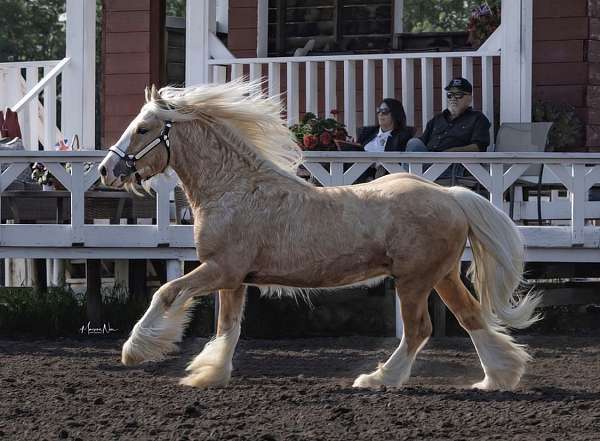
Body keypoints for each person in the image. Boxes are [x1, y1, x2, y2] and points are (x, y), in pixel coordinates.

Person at [405, 77, 491, 178]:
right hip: (428, 164)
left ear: (469, 98)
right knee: (414, 143)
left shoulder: (477, 118)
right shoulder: (437, 119)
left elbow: (478, 147)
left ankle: (405, 180)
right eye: (450, 95)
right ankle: (406, 179)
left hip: (454, 167)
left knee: (408, 172)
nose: (453, 98)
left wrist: (451, 152)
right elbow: (422, 142)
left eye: (459, 94)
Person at [355, 98, 413, 181]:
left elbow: (397, 160)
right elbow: (357, 150)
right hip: (361, 172)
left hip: (386, 176)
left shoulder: (402, 136)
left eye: (385, 111)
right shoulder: (367, 132)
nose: (380, 114)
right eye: (379, 110)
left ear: (395, 114)